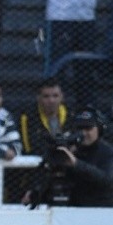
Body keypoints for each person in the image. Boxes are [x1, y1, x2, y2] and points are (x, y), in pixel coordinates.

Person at [22, 107, 113, 208]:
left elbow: (107, 181)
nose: (84, 133)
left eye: (88, 128)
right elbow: (51, 177)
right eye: (80, 129)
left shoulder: (109, 153)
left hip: (106, 209)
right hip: (76, 209)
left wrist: (76, 163)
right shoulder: (72, 150)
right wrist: (35, 192)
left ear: (99, 129)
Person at [17, 77, 77, 205]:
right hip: (37, 173)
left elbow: (76, 145)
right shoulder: (27, 117)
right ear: (38, 98)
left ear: (62, 97)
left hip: (68, 172)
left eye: (55, 96)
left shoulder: (72, 115)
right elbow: (30, 147)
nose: (51, 100)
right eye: (46, 96)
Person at [43, 0, 105, 77]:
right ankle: (57, 85)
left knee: (86, 63)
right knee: (59, 62)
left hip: (87, 17)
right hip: (61, 16)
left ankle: (84, 86)